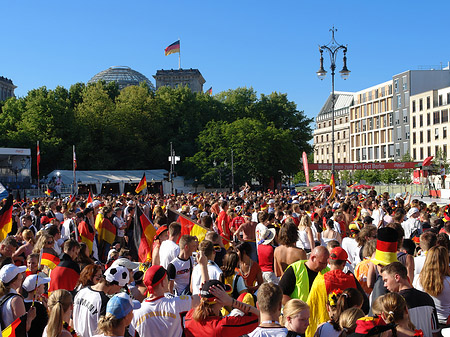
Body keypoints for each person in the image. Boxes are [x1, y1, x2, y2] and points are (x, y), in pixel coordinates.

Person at [130, 255, 208, 337]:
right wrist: (203, 266)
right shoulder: (177, 303)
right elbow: (204, 298)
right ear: (163, 283)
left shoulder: (136, 312)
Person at [381, 262, 439, 337]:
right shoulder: (427, 298)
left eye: (386, 280)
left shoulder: (395, 303)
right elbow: (435, 332)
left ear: (397, 277)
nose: (384, 285)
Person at [184, 279, 259, 337]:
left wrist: (205, 291)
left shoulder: (189, 316)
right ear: (219, 300)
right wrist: (232, 302)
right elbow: (259, 317)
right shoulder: (223, 326)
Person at [73, 265, 130, 337]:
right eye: (120, 288)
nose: (118, 291)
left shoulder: (81, 292)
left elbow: (72, 320)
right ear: (115, 284)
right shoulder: (104, 301)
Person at [413, 245, 450, 326]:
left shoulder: (416, 279)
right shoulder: (448, 281)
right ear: (445, 261)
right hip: (446, 322)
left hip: (426, 322)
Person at [0, 264, 36, 333]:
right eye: (20, 274)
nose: (22, 277)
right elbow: (22, 328)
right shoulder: (16, 299)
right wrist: (30, 317)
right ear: (14, 281)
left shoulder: (2, 296)